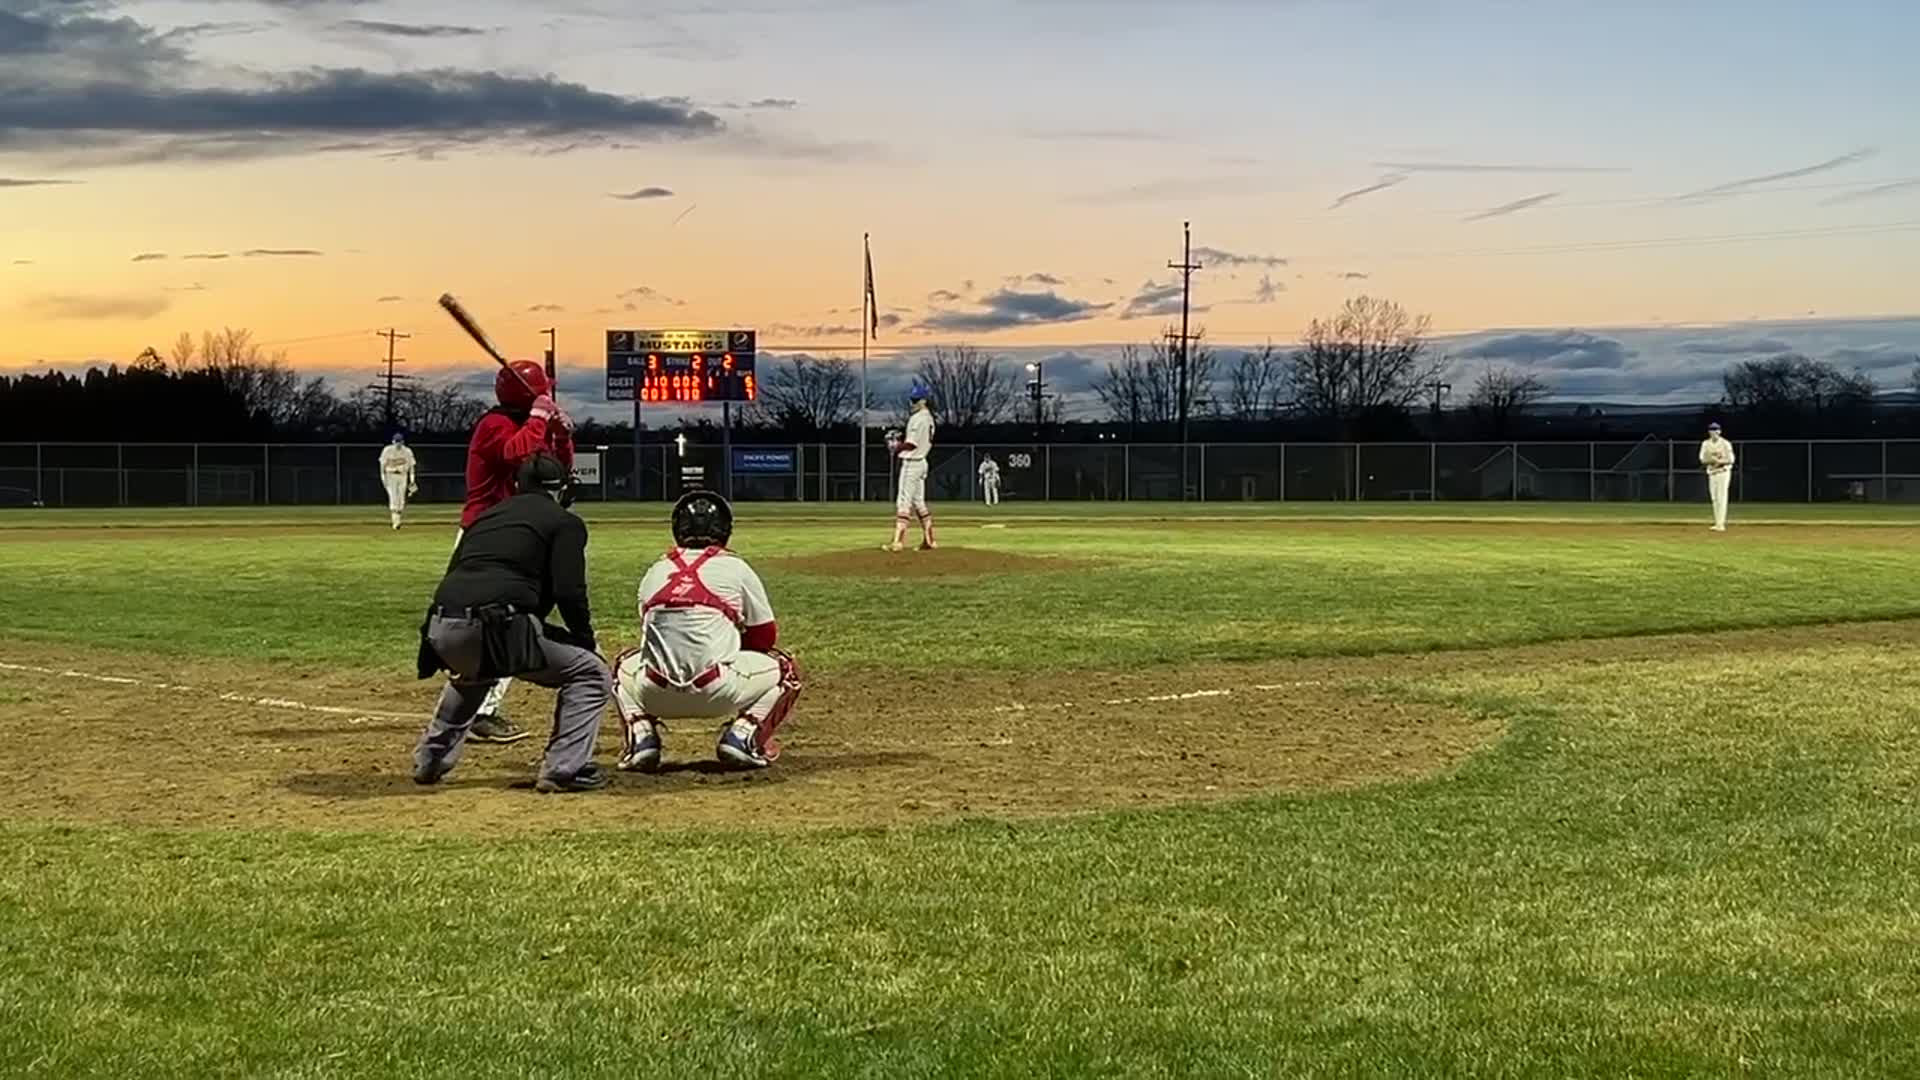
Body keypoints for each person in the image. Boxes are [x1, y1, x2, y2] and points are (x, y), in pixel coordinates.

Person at [413, 453, 610, 792]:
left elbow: (453, 577)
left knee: (475, 671)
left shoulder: (485, 518)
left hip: (441, 626)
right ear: (559, 489)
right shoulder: (564, 522)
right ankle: (563, 770)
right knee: (592, 674)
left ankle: (429, 760)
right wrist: (584, 639)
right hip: (495, 627)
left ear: (518, 486)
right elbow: (569, 590)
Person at [611, 490, 802, 772]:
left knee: (621, 665)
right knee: (787, 669)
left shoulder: (656, 570)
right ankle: (743, 736)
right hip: (716, 690)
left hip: (653, 692)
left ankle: (642, 739)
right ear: (725, 530)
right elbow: (764, 637)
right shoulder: (735, 567)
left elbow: (650, 635)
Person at [456, 360, 576, 745]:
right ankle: (477, 709)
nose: (548, 396)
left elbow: (553, 470)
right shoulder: (493, 426)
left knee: (508, 625)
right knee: (493, 625)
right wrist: (540, 418)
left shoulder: (528, 426)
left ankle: (478, 708)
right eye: (542, 392)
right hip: (486, 535)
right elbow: (515, 454)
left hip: (514, 536)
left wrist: (561, 436)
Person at [884, 382, 937, 552]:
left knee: (903, 502)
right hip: (922, 462)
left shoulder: (917, 418)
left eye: (915, 400)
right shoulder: (929, 418)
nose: (912, 403)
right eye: (911, 400)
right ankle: (930, 540)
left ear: (923, 401)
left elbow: (911, 444)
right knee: (918, 502)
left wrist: (895, 446)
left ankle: (898, 542)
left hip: (912, 463)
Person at [1699, 421, 1735, 532]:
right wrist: (1712, 461)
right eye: (1711, 430)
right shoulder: (1705, 443)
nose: (1714, 432)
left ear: (1719, 431)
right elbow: (1702, 459)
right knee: (1714, 498)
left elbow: (1731, 460)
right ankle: (1717, 522)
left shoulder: (1725, 443)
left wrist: (1719, 462)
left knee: (1722, 497)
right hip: (1712, 472)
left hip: (1723, 472)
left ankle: (1721, 523)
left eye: (1716, 430)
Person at [378, 432, 417, 530]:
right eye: (396, 441)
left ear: (403, 442)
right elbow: (382, 466)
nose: (398, 444)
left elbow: (411, 467)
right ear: (393, 441)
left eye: (400, 441)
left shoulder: (407, 451)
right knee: (393, 497)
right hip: (390, 476)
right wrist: (383, 478)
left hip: (402, 476)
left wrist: (412, 480)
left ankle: (398, 520)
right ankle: (395, 522)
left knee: (401, 500)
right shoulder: (387, 450)